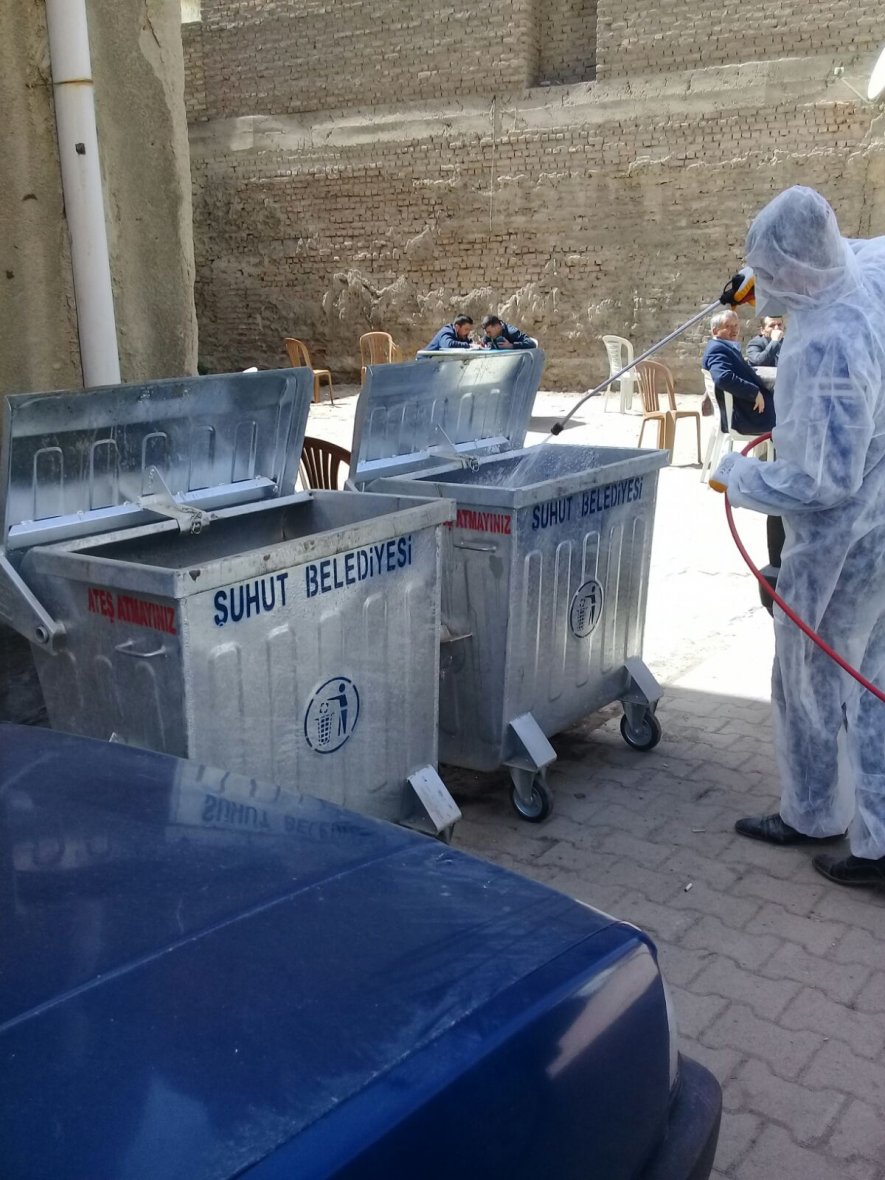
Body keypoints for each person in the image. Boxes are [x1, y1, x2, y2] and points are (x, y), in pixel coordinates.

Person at [711, 185, 885, 887]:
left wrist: (735, 476)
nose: (763, 285)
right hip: (882, 516)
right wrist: (753, 280)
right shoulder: (867, 271)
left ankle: (814, 813)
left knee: (811, 671)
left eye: (769, 270)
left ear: (798, 269)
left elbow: (821, 481)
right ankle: (876, 836)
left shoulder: (824, 347)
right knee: (875, 676)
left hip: (841, 539)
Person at [702, 309, 775, 435]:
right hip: (748, 418)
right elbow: (722, 377)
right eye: (728, 326)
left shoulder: (724, 346)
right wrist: (754, 392)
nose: (734, 330)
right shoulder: (718, 350)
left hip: (750, 412)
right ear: (715, 331)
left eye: (736, 325)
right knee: (794, 417)